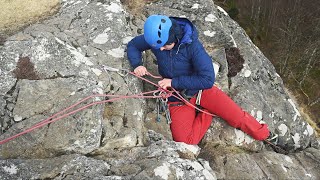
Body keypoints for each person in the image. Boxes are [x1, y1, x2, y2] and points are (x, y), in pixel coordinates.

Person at [126, 14, 270, 145]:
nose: (161, 49)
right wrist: (137, 64)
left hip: (201, 89)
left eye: (166, 45)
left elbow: (207, 79)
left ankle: (265, 135)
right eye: (158, 46)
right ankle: (207, 112)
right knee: (185, 141)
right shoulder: (157, 39)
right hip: (177, 96)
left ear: (175, 38)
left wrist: (173, 82)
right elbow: (134, 45)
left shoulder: (193, 47)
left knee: (237, 117)